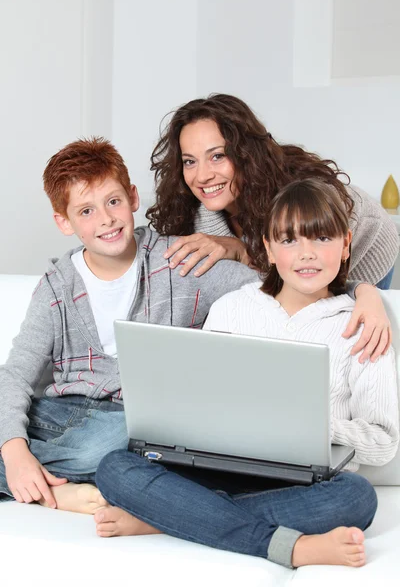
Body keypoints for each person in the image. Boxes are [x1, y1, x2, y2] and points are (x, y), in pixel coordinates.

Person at [94, 178, 399, 569]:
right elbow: (198, 400)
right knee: (114, 467)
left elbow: (383, 441)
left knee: (357, 497)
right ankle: (287, 545)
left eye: (321, 239)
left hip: (304, 484)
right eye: (289, 241)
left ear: (345, 245)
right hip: (215, 468)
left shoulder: (362, 324)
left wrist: (317, 427)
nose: (306, 254)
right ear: (269, 249)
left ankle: (170, 518)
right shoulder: (232, 307)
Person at [0, 137, 258, 513]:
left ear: (133, 198)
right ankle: (50, 488)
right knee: (85, 446)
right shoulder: (56, 287)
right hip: (62, 415)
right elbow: (16, 375)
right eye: (85, 211)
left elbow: (278, 287)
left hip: (131, 421)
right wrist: (14, 451)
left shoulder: (179, 262)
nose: (105, 219)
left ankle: (45, 485)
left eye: (113, 201)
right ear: (64, 221)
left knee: (129, 443)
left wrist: (359, 291)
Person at [147, 93, 398, 361]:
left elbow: (305, 278)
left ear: (245, 154)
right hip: (306, 268)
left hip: (365, 245)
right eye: (190, 161)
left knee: (342, 339)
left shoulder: (296, 197)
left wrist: (367, 293)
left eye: (217, 156)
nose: (202, 175)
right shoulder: (194, 213)